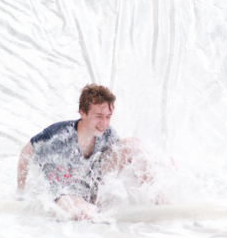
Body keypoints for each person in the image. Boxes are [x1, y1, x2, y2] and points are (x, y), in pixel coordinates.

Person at [17, 84, 148, 220]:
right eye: (98, 116)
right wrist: (20, 193)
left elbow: (124, 158)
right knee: (82, 210)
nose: (104, 123)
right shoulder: (58, 136)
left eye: (108, 116)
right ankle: (90, 211)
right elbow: (26, 154)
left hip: (93, 188)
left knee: (134, 144)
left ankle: (155, 198)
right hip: (65, 192)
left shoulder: (107, 134)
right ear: (83, 113)